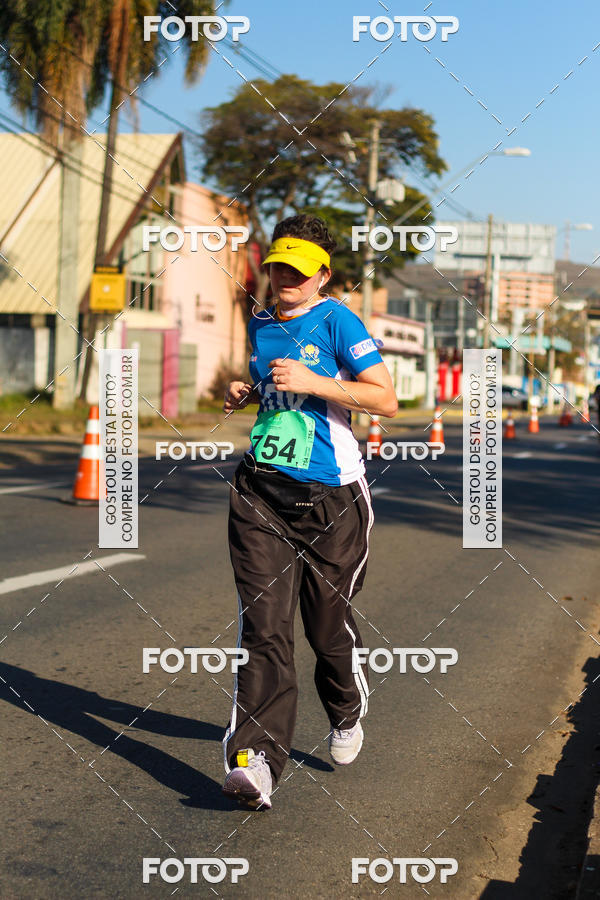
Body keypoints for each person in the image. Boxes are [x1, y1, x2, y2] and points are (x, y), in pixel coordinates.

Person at [221, 214, 398, 810]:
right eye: (276, 270)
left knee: (326, 630)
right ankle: (257, 762)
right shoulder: (262, 321)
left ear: (322, 276)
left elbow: (386, 399)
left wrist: (315, 381)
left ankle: (345, 709)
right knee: (265, 628)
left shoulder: (339, 320)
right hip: (260, 493)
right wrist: (250, 392)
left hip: (332, 501)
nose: (284, 280)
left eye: (297, 272)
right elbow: (276, 385)